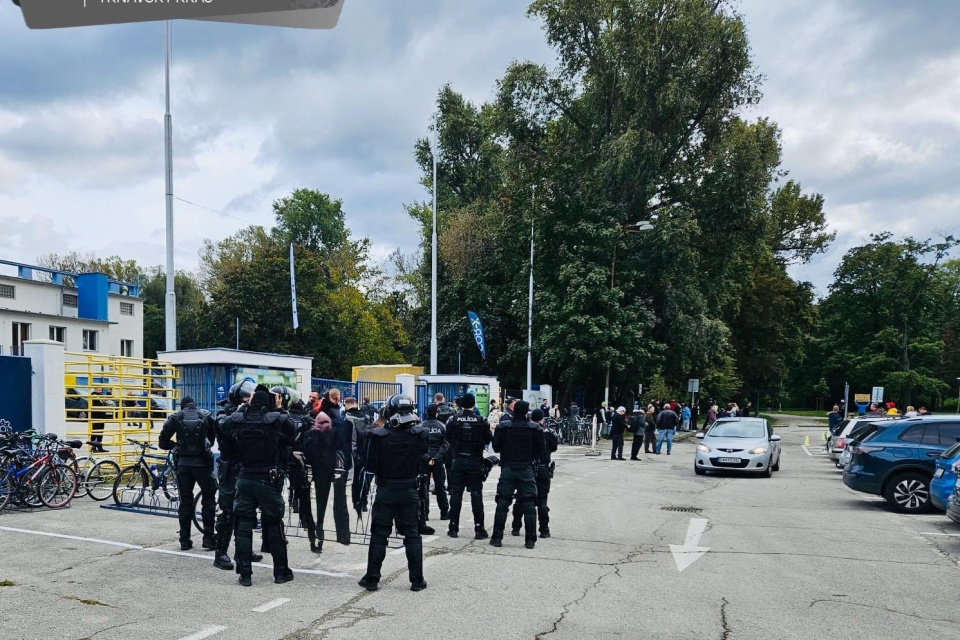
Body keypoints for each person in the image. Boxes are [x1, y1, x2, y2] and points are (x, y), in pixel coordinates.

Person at [225, 387, 296, 586]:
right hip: (267, 479)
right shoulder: (274, 420)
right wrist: (280, 409)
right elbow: (293, 430)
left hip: (245, 477)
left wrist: (242, 410)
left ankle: (245, 574)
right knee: (274, 524)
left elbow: (222, 427)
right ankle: (281, 572)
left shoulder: (240, 419)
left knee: (243, 526)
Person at [358, 394, 430, 593]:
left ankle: (372, 578)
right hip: (409, 489)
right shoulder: (419, 434)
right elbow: (423, 458)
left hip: (387, 489)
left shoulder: (380, 436)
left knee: (380, 534)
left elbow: (370, 464)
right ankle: (417, 580)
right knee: (412, 535)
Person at [212, 380, 261, 570]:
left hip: (245, 467)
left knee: (246, 510)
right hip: (229, 467)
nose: (249, 400)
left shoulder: (246, 411)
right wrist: (241, 411)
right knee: (227, 511)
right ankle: (220, 553)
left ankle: (243, 550)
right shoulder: (224, 412)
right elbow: (224, 427)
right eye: (246, 397)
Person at [159, 396, 216, 552]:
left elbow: (162, 443)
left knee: (185, 501)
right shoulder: (206, 415)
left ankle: (185, 540)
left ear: (183, 406)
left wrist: (176, 446)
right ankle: (209, 538)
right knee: (209, 500)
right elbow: (212, 438)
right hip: (203, 464)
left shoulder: (175, 417)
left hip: (183, 465)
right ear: (194, 405)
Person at [491, 401, 543, 549]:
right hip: (526, 468)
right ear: (527, 412)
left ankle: (497, 538)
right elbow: (540, 450)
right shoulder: (535, 429)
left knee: (502, 503)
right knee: (529, 504)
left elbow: (496, 447)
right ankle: (530, 540)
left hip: (508, 467)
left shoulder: (504, 427)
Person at [445, 393, 492, 540]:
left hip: (458, 460)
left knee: (456, 494)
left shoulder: (453, 420)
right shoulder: (481, 420)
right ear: (473, 404)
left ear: (460, 405)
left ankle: (453, 527)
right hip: (474, 461)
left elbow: (447, 438)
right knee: (476, 495)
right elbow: (488, 439)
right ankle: (479, 528)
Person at [512, 409, 557, 538]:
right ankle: (544, 529)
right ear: (542, 419)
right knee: (542, 500)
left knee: (521, 497)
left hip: (527, 467)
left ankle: (516, 527)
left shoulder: (527, 429)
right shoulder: (549, 432)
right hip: (543, 468)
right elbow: (554, 447)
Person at [287, 393, 320, 553]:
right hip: (302, 463)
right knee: (305, 497)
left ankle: (293, 506)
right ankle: (310, 533)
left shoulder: (283, 420)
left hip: (284, 461)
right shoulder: (308, 422)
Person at [320, 388, 352, 545]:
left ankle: (318, 533)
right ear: (336, 398)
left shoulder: (318, 413)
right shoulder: (337, 416)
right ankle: (343, 535)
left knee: (321, 498)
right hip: (337, 460)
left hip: (322, 460)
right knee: (340, 499)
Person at [419, 404, 450, 523]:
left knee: (423, 488)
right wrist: (436, 458)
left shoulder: (421, 427)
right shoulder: (442, 426)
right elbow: (445, 444)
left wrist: (428, 458)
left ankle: (424, 513)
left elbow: (419, 445)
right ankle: (444, 513)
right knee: (440, 487)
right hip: (438, 460)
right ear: (437, 413)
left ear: (426, 413)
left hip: (424, 460)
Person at [344, 397, 374, 516]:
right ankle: (364, 501)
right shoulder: (365, 417)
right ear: (356, 404)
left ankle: (355, 501)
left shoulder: (345, 417)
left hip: (351, 451)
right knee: (364, 477)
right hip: (365, 451)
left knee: (354, 479)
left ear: (347, 405)